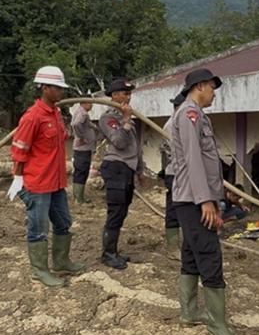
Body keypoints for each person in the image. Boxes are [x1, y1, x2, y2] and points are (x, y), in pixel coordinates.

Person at [171, 68, 244, 335]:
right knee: (209, 255)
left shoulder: (197, 115)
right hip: (192, 199)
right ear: (200, 86)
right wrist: (205, 200)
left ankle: (189, 313)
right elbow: (192, 160)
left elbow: (207, 162)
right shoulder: (189, 115)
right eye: (212, 88)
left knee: (191, 253)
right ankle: (217, 325)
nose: (214, 93)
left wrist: (219, 193)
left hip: (196, 196)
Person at [7, 66, 83, 288]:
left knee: (63, 222)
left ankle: (61, 261)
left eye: (61, 88)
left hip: (56, 182)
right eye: (57, 88)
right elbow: (19, 149)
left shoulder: (56, 114)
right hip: (37, 183)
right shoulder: (33, 117)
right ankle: (39, 270)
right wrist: (18, 178)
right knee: (38, 229)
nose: (61, 92)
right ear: (45, 88)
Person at [98, 78, 147, 270]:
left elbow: (136, 148)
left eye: (129, 94)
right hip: (115, 168)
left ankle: (114, 250)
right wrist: (125, 121)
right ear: (115, 95)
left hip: (127, 169)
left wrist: (140, 170)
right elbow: (119, 141)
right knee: (116, 212)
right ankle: (108, 253)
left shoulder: (128, 118)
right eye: (125, 94)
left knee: (123, 211)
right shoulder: (108, 118)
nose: (128, 98)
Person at [159, 92, 186, 253]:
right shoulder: (171, 126)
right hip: (175, 172)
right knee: (174, 208)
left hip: (181, 172)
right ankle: (173, 246)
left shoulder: (181, 123)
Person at [69, 100, 100, 204]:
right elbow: (76, 124)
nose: (91, 105)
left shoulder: (80, 112)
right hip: (83, 148)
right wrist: (81, 137)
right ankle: (79, 198)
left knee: (80, 171)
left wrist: (92, 126)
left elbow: (83, 123)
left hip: (83, 148)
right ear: (84, 103)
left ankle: (78, 196)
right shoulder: (82, 113)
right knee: (82, 171)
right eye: (90, 103)